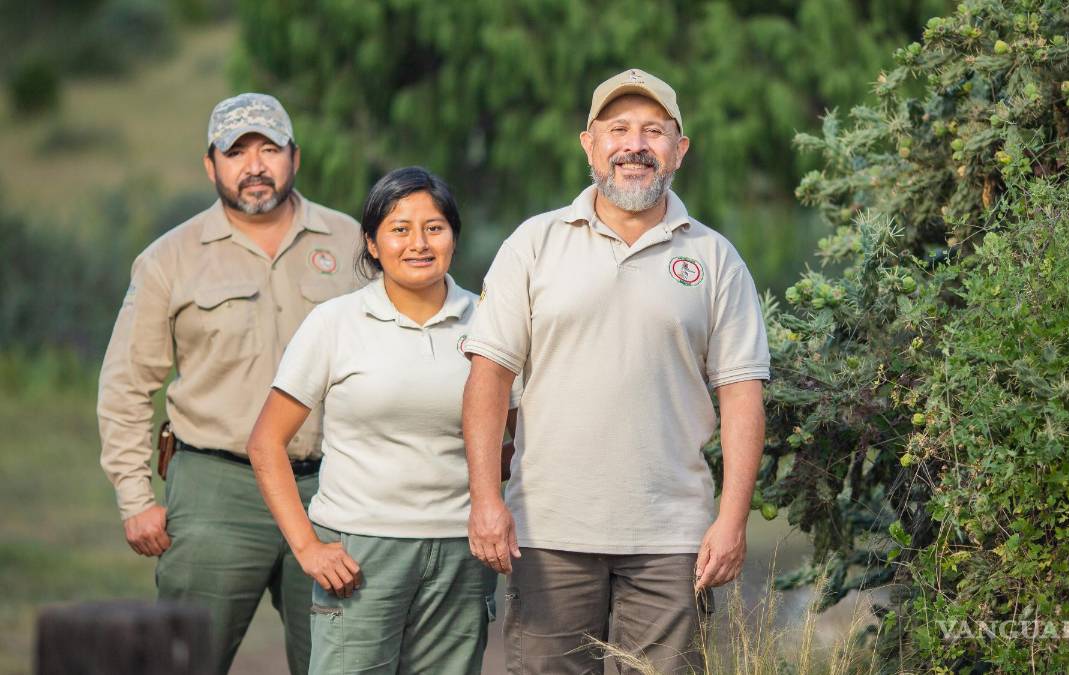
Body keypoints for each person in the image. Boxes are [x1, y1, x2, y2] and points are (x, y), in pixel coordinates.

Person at [462, 68, 771, 674]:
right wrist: (485, 500)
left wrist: (732, 519)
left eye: (654, 131)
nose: (635, 145)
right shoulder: (533, 244)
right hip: (549, 531)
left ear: (679, 150)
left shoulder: (715, 259)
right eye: (619, 129)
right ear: (590, 144)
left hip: (672, 540)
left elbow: (742, 396)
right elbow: (489, 379)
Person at [97, 93, 362, 674]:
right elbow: (126, 384)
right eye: (236, 152)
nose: (255, 165)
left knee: (341, 662)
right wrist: (135, 498)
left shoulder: (349, 242)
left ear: (295, 156)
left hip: (332, 489)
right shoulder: (169, 258)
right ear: (210, 165)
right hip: (217, 490)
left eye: (269, 149)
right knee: (185, 660)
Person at [246, 167, 520, 674]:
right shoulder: (334, 323)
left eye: (434, 228)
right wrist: (307, 547)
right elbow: (266, 443)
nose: (419, 243)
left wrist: (484, 484)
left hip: (463, 551)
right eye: (399, 229)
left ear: (454, 237)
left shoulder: (491, 322)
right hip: (360, 553)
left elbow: (523, 440)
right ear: (372, 243)